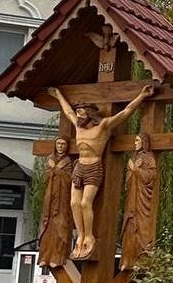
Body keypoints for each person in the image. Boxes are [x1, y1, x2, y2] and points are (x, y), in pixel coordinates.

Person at [46, 84, 155, 259]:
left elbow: (125, 112)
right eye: (79, 112)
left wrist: (141, 96)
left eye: (82, 111)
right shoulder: (79, 127)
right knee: (74, 203)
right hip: (79, 167)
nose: (79, 114)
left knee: (85, 204)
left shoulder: (103, 125)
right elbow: (68, 112)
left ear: (90, 113)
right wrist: (59, 96)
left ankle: (89, 236)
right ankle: (80, 236)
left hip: (94, 167)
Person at [119, 133, 159, 271]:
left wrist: (136, 170)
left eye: (137, 140)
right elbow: (128, 178)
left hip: (142, 198)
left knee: (140, 226)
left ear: (144, 142)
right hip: (132, 197)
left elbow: (151, 176)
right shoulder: (133, 157)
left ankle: (140, 259)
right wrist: (131, 172)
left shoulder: (148, 158)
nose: (135, 143)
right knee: (129, 226)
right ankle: (127, 259)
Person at [38, 137, 76, 268]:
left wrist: (59, 171)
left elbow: (70, 178)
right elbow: (45, 176)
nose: (60, 146)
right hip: (50, 197)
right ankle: (44, 256)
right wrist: (52, 170)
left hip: (62, 198)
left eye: (63, 144)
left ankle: (58, 256)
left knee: (60, 225)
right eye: (58, 143)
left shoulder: (68, 161)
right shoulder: (50, 159)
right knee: (47, 225)